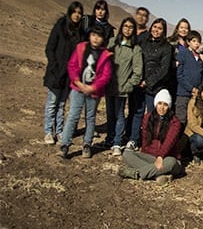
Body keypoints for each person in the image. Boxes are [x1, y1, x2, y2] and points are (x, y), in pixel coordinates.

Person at [59, 25, 113, 159]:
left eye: (99, 36)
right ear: (89, 35)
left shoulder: (105, 55)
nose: (95, 38)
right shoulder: (81, 48)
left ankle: (87, 145)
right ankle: (64, 145)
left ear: (103, 39)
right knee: (73, 115)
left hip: (93, 92)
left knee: (90, 117)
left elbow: (106, 75)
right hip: (78, 88)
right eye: (93, 35)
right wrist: (77, 81)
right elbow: (72, 65)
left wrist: (93, 87)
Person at [118, 89, 183, 184]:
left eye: (165, 104)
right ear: (155, 104)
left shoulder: (175, 122)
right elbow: (145, 140)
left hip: (167, 158)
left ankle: (137, 173)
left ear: (169, 106)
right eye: (159, 103)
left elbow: (169, 142)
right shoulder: (148, 117)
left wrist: (160, 156)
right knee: (127, 154)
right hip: (152, 157)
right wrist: (144, 155)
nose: (162, 107)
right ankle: (159, 174)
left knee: (171, 162)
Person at [43, 2, 85, 144]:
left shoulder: (80, 32)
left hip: (69, 75)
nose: (77, 15)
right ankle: (48, 132)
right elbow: (50, 48)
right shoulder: (60, 27)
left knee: (61, 104)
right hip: (56, 72)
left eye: (79, 13)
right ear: (70, 12)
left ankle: (59, 131)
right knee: (52, 103)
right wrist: (54, 65)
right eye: (75, 12)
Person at [104, 17, 143, 156]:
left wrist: (128, 85)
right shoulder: (112, 42)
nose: (127, 29)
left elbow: (138, 71)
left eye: (130, 27)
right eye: (125, 26)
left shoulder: (135, 49)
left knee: (119, 115)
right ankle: (109, 139)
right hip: (109, 85)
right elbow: (104, 61)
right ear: (121, 27)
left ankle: (117, 142)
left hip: (122, 88)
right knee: (110, 114)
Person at [139, 18, 174, 113]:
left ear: (163, 31)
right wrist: (138, 79)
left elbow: (164, 68)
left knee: (152, 113)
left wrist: (147, 82)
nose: (156, 30)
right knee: (136, 113)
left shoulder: (167, 47)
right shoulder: (143, 42)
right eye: (155, 27)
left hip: (155, 87)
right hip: (139, 84)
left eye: (160, 28)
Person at [175, 32, 203, 125]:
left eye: (198, 42)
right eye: (194, 41)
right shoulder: (183, 54)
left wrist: (199, 89)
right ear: (188, 42)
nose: (196, 44)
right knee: (181, 120)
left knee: (193, 120)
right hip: (183, 93)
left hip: (196, 94)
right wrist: (191, 88)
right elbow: (179, 75)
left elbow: (202, 75)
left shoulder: (200, 57)